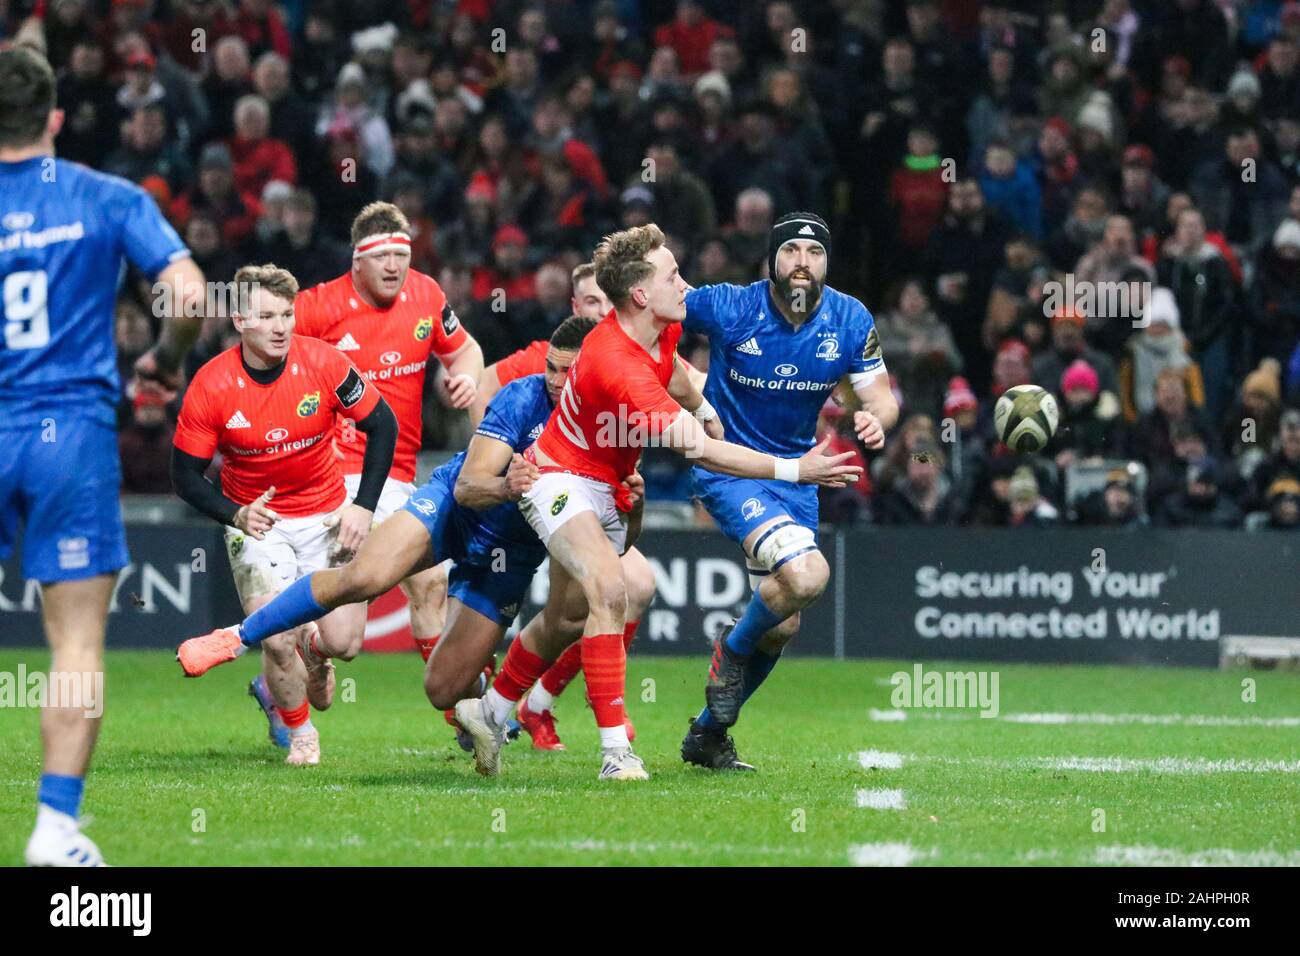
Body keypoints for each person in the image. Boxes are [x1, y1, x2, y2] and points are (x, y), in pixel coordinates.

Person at [453, 223, 865, 781]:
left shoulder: (663, 329)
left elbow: (676, 373)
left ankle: (490, 712)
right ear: (643, 294)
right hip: (560, 477)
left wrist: (701, 405)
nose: (685, 284)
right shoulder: (614, 360)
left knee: (570, 615)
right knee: (610, 590)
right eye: (674, 275)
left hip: (612, 485)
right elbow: (705, 455)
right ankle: (615, 754)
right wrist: (798, 468)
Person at [0, 47, 205, 866]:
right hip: (69, 433)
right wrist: (165, 356)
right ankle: (54, 831)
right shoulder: (106, 195)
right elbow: (188, 294)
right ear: (55, 117)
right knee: (75, 641)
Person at [225, 202, 484, 745]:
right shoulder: (317, 307)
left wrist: (464, 376)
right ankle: (294, 673)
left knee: (430, 583)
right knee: (351, 629)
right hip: (337, 476)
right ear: (357, 260)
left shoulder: (427, 296)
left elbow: (467, 350)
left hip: (400, 471)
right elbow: (262, 361)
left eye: (403, 254)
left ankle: (457, 717)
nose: (395, 265)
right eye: (383, 255)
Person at [679, 211, 899, 770]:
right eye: (793, 250)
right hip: (731, 470)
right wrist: (684, 393)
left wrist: (876, 418)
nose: (803, 262)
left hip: (800, 476)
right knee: (807, 575)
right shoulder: (730, 305)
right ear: (771, 260)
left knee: (785, 624)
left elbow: (881, 395)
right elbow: (655, 313)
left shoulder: (850, 318)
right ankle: (728, 651)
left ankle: (707, 735)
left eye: (815, 252)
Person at [171, 264, 396, 765]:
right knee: (275, 638)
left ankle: (316, 653)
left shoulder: (325, 363)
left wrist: (363, 506)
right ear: (240, 320)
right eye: (267, 316)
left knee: (346, 642)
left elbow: (383, 425)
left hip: (328, 517)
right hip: (258, 523)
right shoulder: (212, 385)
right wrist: (234, 514)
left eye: (287, 314)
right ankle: (300, 734)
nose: (280, 326)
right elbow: (184, 476)